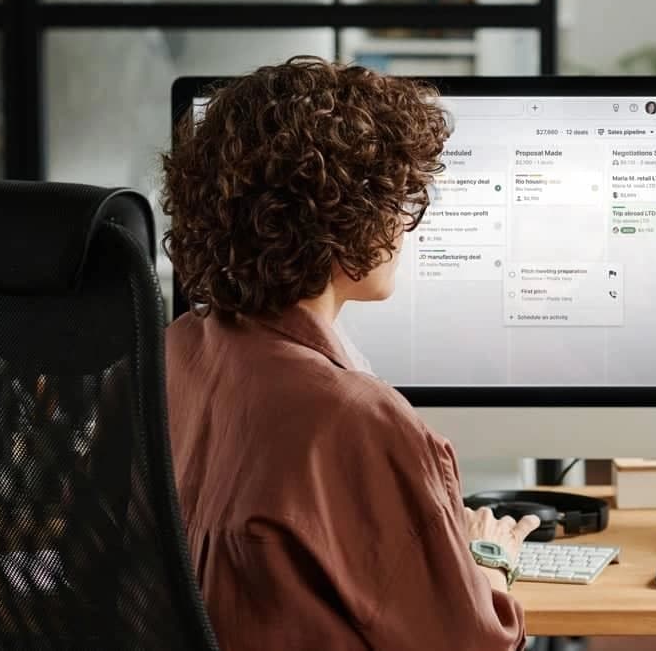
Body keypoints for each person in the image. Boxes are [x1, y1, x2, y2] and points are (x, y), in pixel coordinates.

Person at [161, 56, 540, 651]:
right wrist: (487, 560)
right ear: (349, 222)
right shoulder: (354, 418)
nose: (404, 224)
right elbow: (475, 646)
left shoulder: (179, 348)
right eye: (397, 198)